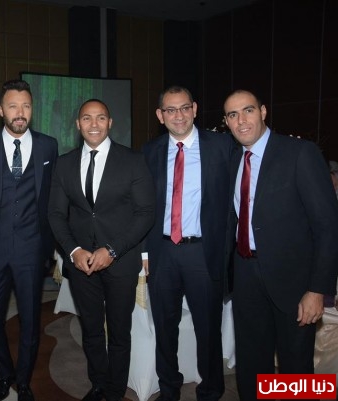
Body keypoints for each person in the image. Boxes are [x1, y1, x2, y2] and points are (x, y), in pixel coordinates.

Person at [224, 89, 338, 400]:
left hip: (294, 282)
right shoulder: (234, 159)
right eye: (233, 115)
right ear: (227, 122)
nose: (241, 120)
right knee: (251, 361)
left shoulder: (300, 153)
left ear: (263, 112)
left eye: (248, 110)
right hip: (245, 275)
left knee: (295, 365)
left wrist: (317, 290)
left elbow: (327, 227)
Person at [48, 99, 155, 401]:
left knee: (119, 333)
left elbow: (145, 213)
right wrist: (73, 250)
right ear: (78, 124)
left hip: (120, 262)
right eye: (87, 118)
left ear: (110, 123)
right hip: (81, 265)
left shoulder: (133, 160)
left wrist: (113, 250)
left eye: (100, 118)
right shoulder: (64, 163)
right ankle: (98, 384)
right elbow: (56, 214)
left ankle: (115, 391)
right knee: (92, 329)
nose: (93, 124)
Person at [142, 86, 235, 401]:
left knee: (208, 329)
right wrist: (144, 252)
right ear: (160, 115)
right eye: (170, 110)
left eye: (184, 108)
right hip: (163, 252)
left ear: (195, 109)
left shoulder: (222, 146)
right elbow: (143, 206)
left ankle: (210, 390)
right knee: (164, 328)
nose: (178, 115)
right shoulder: (150, 152)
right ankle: (169, 389)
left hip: (203, 253)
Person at [0, 79, 58, 401]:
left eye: (26, 106)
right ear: (0, 110)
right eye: (13, 106)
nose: (20, 112)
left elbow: (53, 197)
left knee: (30, 320)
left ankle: (23, 381)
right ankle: (4, 373)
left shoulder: (49, 146)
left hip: (31, 249)